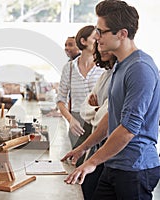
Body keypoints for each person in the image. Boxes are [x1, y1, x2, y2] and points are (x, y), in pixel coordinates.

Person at [63, 1, 160, 199]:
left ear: (122, 34)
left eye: (101, 31)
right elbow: (111, 117)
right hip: (114, 162)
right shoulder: (120, 66)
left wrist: (92, 162)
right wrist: (83, 148)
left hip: (135, 168)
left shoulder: (140, 68)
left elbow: (128, 129)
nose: (96, 37)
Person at [62, 41, 116, 200]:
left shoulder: (119, 75)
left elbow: (108, 116)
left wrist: (98, 110)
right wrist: (97, 109)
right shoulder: (105, 74)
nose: (101, 48)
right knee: (85, 189)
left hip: (111, 148)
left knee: (88, 188)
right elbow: (86, 111)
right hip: (97, 142)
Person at [56, 25, 104, 148]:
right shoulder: (69, 68)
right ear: (83, 41)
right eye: (95, 38)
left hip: (99, 121)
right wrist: (70, 120)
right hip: (77, 122)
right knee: (78, 163)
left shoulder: (104, 67)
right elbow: (61, 100)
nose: (99, 41)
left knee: (97, 164)